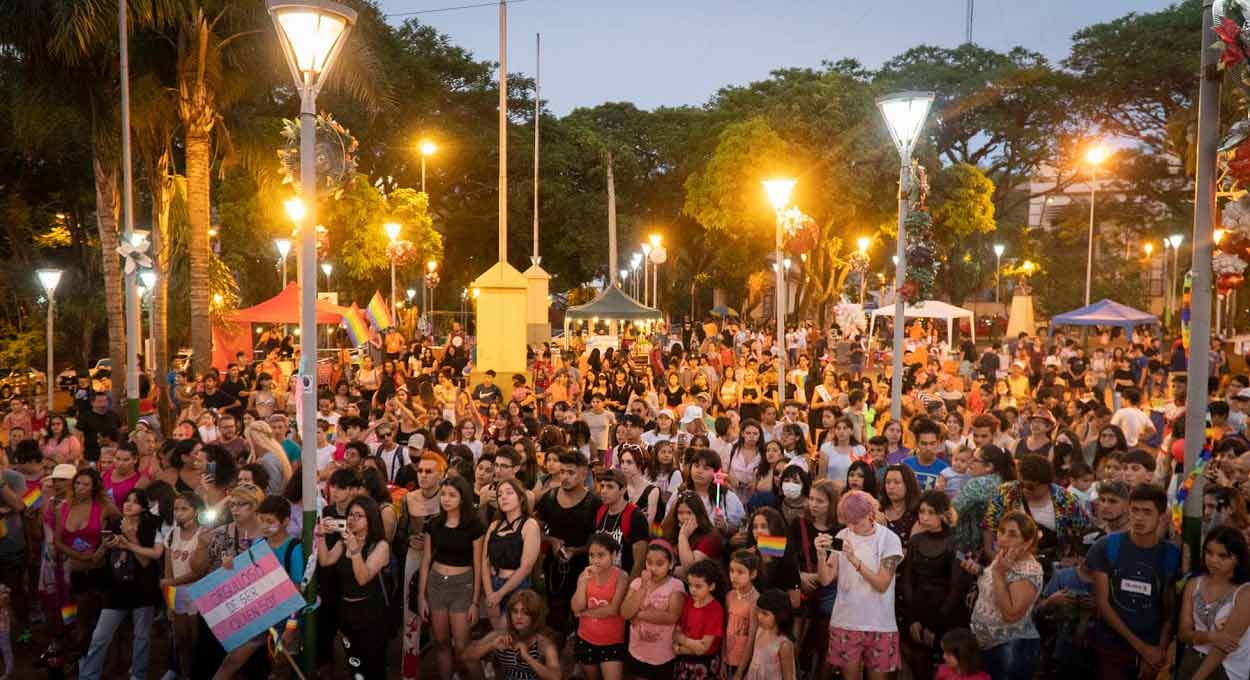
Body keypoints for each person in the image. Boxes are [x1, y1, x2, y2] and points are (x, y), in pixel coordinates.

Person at [1086, 483, 1180, 679]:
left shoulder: (1171, 555)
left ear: (1161, 517)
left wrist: (1157, 652)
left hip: (1153, 646)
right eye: (1135, 510)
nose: (1139, 517)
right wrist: (1142, 648)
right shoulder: (1106, 547)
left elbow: (1169, 611)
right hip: (1111, 645)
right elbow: (1103, 603)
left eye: (1147, 512)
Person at [76, 488, 164, 680]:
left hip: (143, 589)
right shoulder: (114, 524)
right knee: (100, 637)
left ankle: (138, 676)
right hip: (116, 589)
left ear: (143, 507)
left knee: (141, 638)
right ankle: (89, 676)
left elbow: (145, 562)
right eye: (126, 500)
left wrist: (130, 539)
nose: (129, 504)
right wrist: (105, 546)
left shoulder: (151, 526)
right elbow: (96, 559)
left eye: (135, 501)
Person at [213, 495, 303, 679]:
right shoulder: (258, 544)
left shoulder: (294, 549)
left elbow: (297, 591)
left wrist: (290, 628)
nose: (263, 526)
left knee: (280, 669)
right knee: (231, 661)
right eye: (261, 520)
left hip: (284, 621)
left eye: (270, 521)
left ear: (285, 521)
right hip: (258, 617)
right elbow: (247, 578)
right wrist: (231, 566)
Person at [819, 490, 905, 680]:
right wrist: (820, 554)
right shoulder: (843, 534)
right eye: (847, 521)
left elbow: (882, 584)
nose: (851, 526)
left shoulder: (889, 539)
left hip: (880, 623)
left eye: (856, 522)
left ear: (870, 514)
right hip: (846, 621)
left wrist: (854, 560)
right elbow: (826, 579)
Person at [316, 495, 392, 680]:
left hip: (371, 613)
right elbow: (325, 561)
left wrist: (356, 550)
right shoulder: (344, 542)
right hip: (347, 610)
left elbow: (363, 578)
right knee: (353, 662)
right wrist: (320, 536)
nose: (352, 519)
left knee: (372, 665)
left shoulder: (380, 546)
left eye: (359, 516)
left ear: (370, 519)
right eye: (350, 514)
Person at [417, 475, 485, 680]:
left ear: (462, 498)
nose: (446, 499)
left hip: (463, 587)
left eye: (452, 495)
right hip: (436, 585)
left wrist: (475, 602)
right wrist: (421, 596)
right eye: (444, 494)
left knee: (464, 647)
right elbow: (426, 561)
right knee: (441, 642)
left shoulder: (474, 527)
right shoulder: (433, 524)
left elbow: (478, 565)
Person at [962, 510, 1043, 680]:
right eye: (1001, 531)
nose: (1003, 538)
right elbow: (994, 585)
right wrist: (979, 571)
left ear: (1027, 542)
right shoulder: (1004, 557)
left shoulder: (1028, 570)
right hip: (987, 646)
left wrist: (998, 574)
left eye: (1012, 535)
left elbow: (1011, 614)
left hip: (1010, 649)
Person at [1178, 525, 1250, 680]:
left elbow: (1223, 648)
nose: (1213, 560)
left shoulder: (1245, 592)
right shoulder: (1194, 584)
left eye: (1223, 556)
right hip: (1192, 658)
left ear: (1237, 559)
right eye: (1209, 552)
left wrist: (1197, 678)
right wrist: (1212, 637)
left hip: (1228, 668)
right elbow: (1183, 633)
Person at [621, 540, 686, 680]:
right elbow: (625, 613)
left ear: (671, 564)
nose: (653, 568)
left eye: (659, 564)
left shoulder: (676, 586)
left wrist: (639, 614)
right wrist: (643, 587)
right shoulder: (637, 583)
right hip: (637, 651)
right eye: (649, 562)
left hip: (662, 655)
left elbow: (671, 617)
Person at [483, 478, 542, 630]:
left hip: (518, 589)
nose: (503, 497)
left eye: (509, 493)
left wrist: (500, 594)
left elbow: (526, 567)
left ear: (521, 498)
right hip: (493, 585)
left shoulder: (529, 525)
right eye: (500, 494)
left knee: (509, 636)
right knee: (499, 639)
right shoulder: (494, 525)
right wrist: (490, 594)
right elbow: (485, 561)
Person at [464, 589, 562, 680]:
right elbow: (466, 656)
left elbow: (556, 677)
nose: (518, 617)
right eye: (515, 611)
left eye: (525, 612)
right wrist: (491, 645)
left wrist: (527, 657)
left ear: (534, 615)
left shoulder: (543, 642)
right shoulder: (501, 635)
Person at [571, 532, 628, 680]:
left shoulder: (621, 577)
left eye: (601, 555)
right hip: (586, 639)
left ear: (614, 554)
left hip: (612, 642)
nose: (595, 560)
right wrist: (583, 582)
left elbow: (613, 609)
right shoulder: (584, 575)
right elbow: (576, 607)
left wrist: (584, 613)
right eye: (591, 555)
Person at [160, 491, 204, 680]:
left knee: (196, 641)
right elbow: (168, 569)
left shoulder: (204, 535)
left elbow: (199, 572)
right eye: (176, 509)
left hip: (197, 594)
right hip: (177, 594)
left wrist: (170, 582)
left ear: (195, 511)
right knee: (180, 640)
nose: (178, 513)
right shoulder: (172, 534)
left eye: (184, 509)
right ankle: (184, 674)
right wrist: (168, 600)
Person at [673, 559, 726, 679]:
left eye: (698, 586)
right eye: (690, 585)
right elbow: (676, 632)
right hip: (683, 662)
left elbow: (702, 649)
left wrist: (681, 647)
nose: (692, 590)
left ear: (711, 586)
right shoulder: (688, 601)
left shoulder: (716, 609)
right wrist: (691, 644)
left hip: (703, 664)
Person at [594, 469, 650, 579]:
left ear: (623, 489)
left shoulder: (636, 517)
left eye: (610, 487)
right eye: (602, 486)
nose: (604, 491)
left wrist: (629, 590)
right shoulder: (600, 512)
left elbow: (639, 563)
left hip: (624, 579)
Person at [742, 588, 797, 680]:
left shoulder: (784, 645)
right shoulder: (760, 630)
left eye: (765, 614)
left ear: (780, 615)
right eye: (758, 611)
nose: (759, 616)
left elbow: (789, 677)